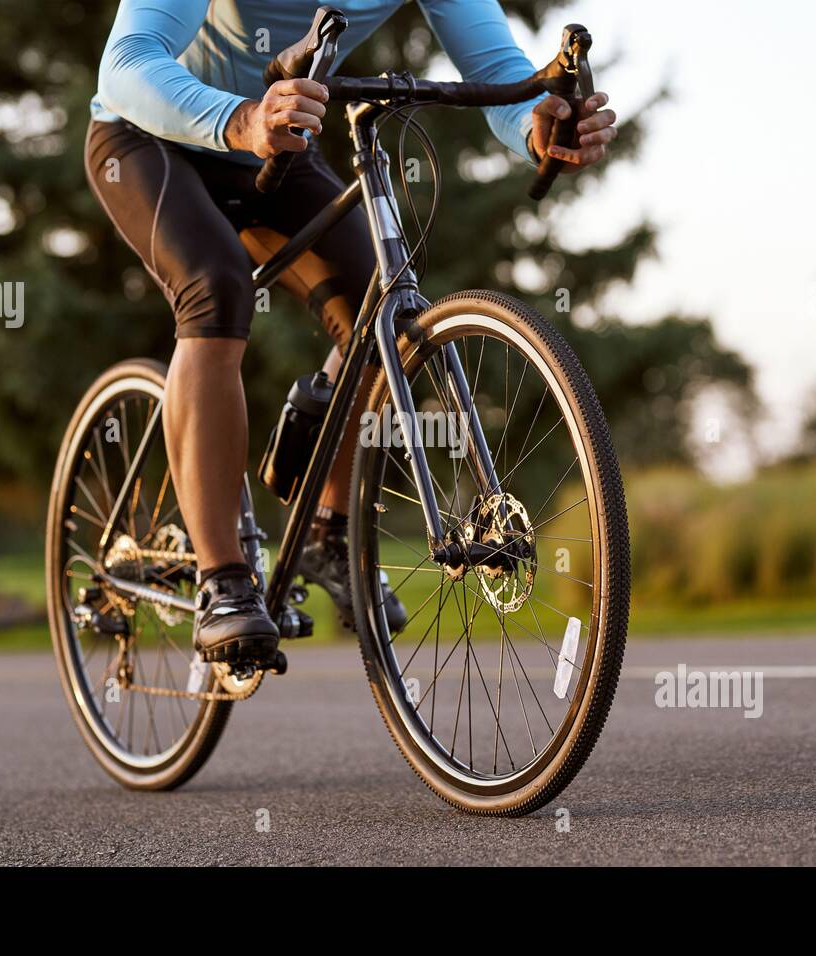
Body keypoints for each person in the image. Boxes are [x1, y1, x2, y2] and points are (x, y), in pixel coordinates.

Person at [85, 0, 616, 663]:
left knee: (382, 311)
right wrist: (241, 118)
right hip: (147, 138)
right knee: (215, 291)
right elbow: (125, 64)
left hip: (273, 134)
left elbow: (497, 69)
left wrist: (537, 127)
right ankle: (222, 581)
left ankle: (325, 530)